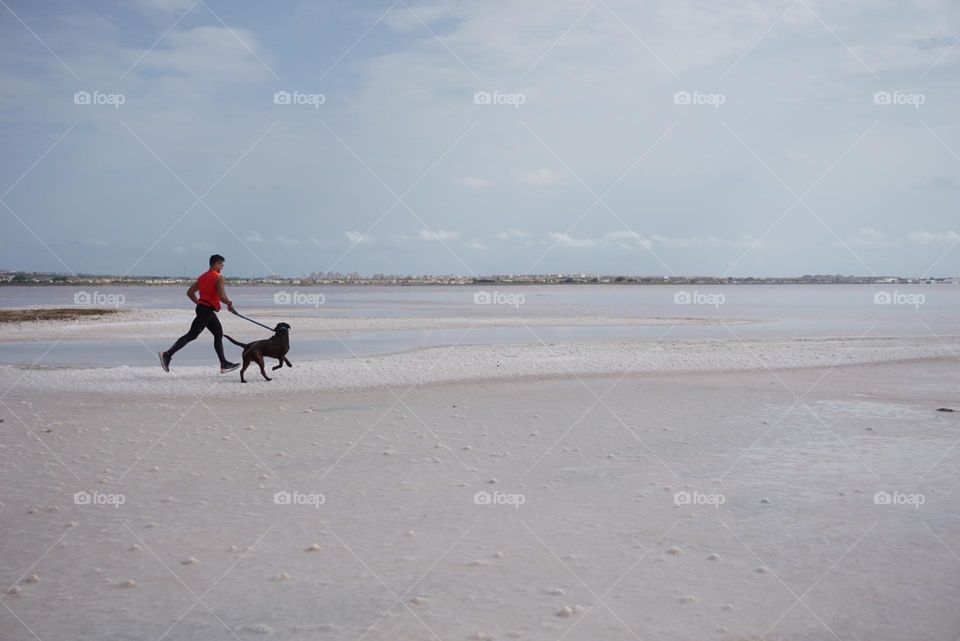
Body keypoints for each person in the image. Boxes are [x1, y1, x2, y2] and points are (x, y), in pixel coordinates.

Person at [159, 254, 240, 373]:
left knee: (218, 333)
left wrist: (200, 303)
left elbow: (190, 292)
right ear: (216, 263)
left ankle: (224, 364)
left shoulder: (203, 277)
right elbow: (222, 296)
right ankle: (166, 354)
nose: (222, 267)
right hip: (206, 311)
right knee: (191, 335)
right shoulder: (219, 277)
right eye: (221, 265)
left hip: (204, 309)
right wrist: (229, 303)